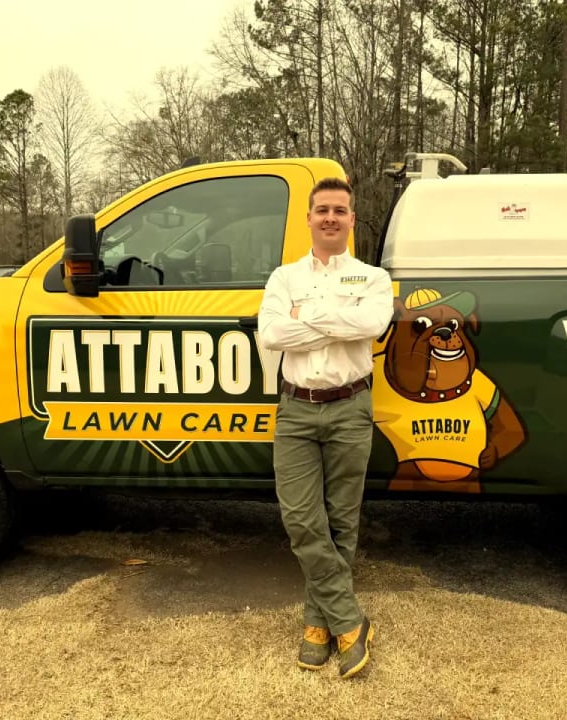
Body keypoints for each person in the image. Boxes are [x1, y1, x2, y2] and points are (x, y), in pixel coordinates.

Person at [257, 177, 394, 679]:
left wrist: (306, 317)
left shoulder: (372, 278)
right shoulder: (283, 277)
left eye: (340, 210)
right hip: (295, 410)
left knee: (341, 520)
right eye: (322, 210)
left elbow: (372, 325)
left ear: (352, 219)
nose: (330, 217)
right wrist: (338, 318)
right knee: (300, 518)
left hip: (350, 406)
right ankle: (349, 619)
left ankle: (317, 622)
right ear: (309, 218)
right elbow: (272, 332)